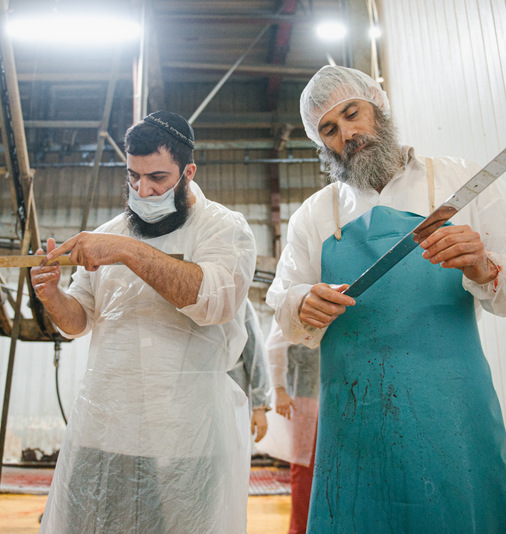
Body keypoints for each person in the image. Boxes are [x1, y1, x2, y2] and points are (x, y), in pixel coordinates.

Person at [266, 66, 506, 533]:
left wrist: (483, 264)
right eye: (330, 129)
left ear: (378, 104)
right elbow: (282, 300)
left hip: (453, 409)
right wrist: (302, 303)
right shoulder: (316, 215)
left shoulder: (459, 182)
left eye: (353, 113)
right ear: (322, 145)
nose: (348, 133)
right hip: (355, 421)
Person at [32, 110, 257, 533]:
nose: (142, 189)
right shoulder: (112, 231)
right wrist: (53, 295)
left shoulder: (223, 229)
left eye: (157, 177)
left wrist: (128, 252)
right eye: (132, 177)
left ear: (188, 171)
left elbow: (214, 301)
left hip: (185, 437)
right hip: (105, 431)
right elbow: (79, 320)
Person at [263, 322, 320, 534]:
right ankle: (300, 529)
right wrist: (279, 388)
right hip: (305, 395)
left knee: (318, 468)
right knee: (305, 468)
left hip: (323, 394)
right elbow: (274, 345)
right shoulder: (294, 295)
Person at [227, 299, 272, 443]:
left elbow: (255, 353)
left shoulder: (237, 300)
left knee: (230, 451)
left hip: (232, 396)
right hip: (194, 400)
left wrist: (259, 406)